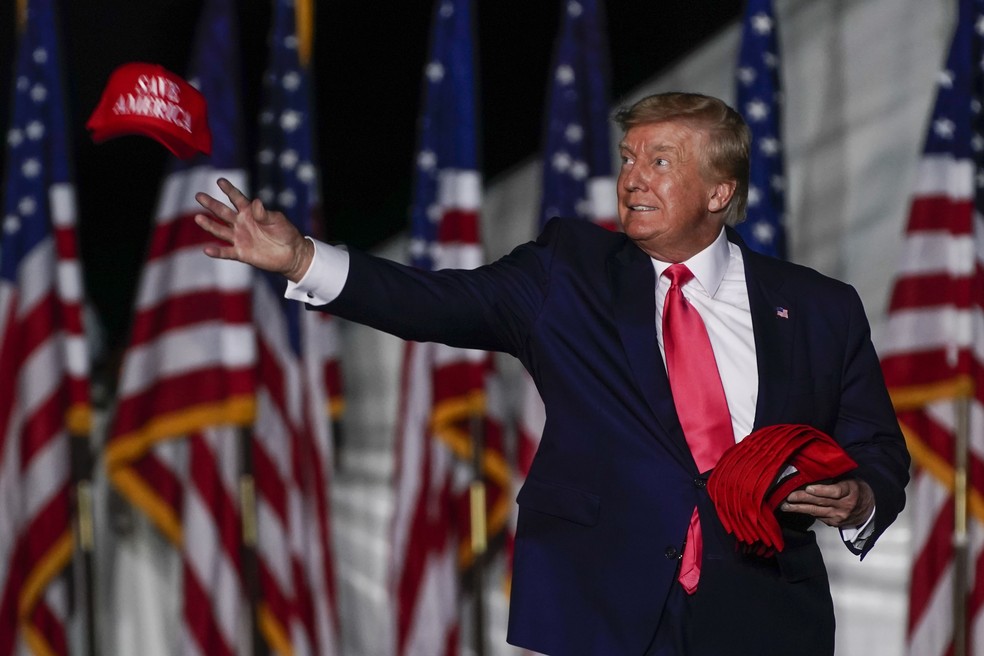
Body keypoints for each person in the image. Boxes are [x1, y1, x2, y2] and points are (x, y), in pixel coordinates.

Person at [194, 92, 910, 656]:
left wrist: (858, 497)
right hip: (601, 610)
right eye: (629, 159)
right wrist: (300, 260)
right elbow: (436, 303)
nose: (631, 179)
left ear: (719, 192)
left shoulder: (818, 307)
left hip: (762, 618)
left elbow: (877, 448)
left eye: (659, 162)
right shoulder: (568, 272)